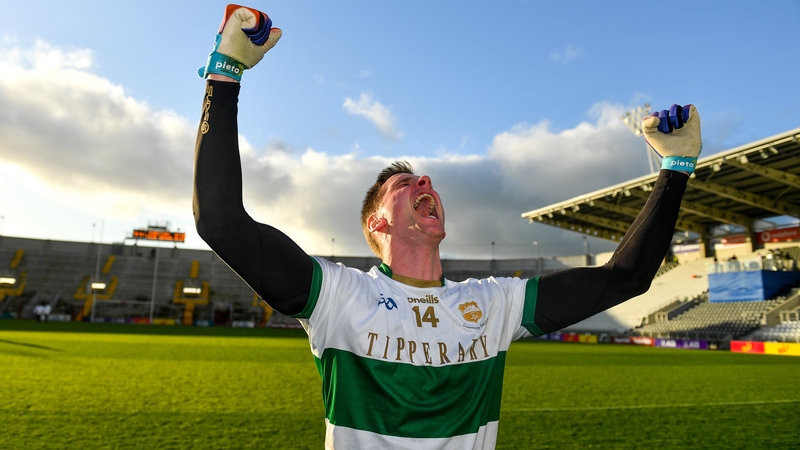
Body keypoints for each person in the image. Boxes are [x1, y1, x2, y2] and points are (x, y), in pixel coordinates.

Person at [193, 5, 702, 449]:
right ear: (378, 223)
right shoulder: (338, 297)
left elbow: (627, 277)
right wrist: (225, 72)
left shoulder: (496, 306)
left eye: (425, 179)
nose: (425, 182)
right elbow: (219, 220)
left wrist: (675, 169)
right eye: (405, 184)